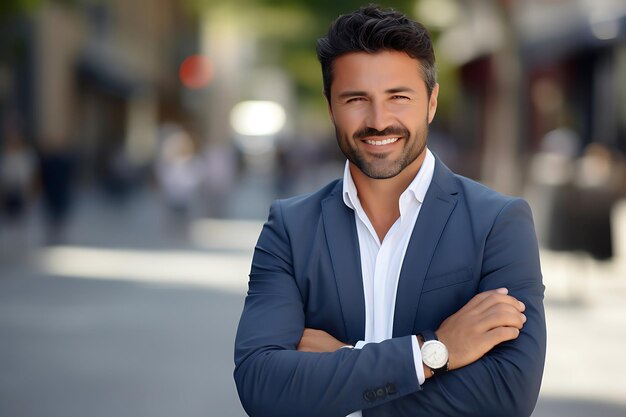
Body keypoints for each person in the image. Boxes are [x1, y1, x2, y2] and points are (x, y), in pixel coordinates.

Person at [234, 5, 546, 417]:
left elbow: (507, 397)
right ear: (330, 108)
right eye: (356, 99)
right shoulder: (291, 228)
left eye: (398, 97)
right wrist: (434, 353)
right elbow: (263, 386)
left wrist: (344, 364)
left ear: (431, 103)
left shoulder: (497, 223)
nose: (379, 121)